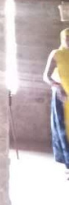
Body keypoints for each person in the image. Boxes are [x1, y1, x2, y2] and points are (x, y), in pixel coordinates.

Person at [43, 28, 69, 172]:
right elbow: (46, 76)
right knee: (64, 129)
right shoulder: (56, 54)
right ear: (62, 39)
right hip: (62, 97)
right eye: (67, 38)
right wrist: (58, 87)